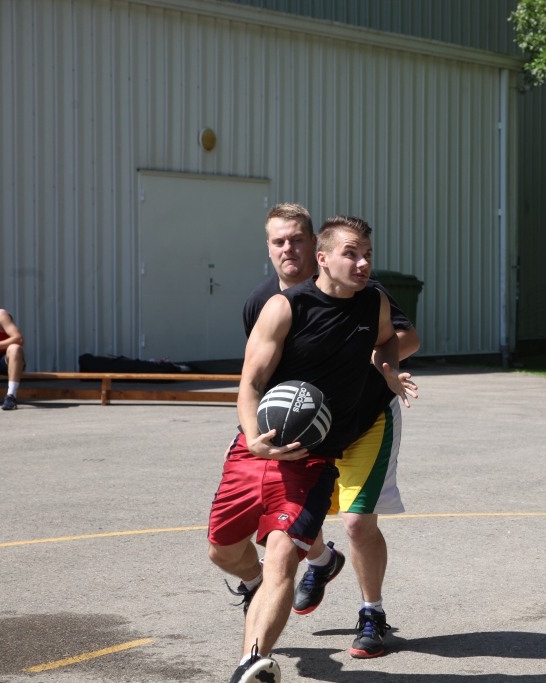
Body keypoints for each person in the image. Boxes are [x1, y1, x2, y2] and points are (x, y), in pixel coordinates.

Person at [207, 207, 416, 683]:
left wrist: (387, 368)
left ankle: (252, 662)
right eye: (352, 254)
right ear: (325, 259)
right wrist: (248, 438)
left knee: (287, 548)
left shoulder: (374, 302)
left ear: (310, 248)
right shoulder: (280, 307)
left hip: (320, 452)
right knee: (222, 552)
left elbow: (390, 341)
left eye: (367, 255)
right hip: (260, 448)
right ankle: (260, 585)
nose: (363, 264)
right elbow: (251, 384)